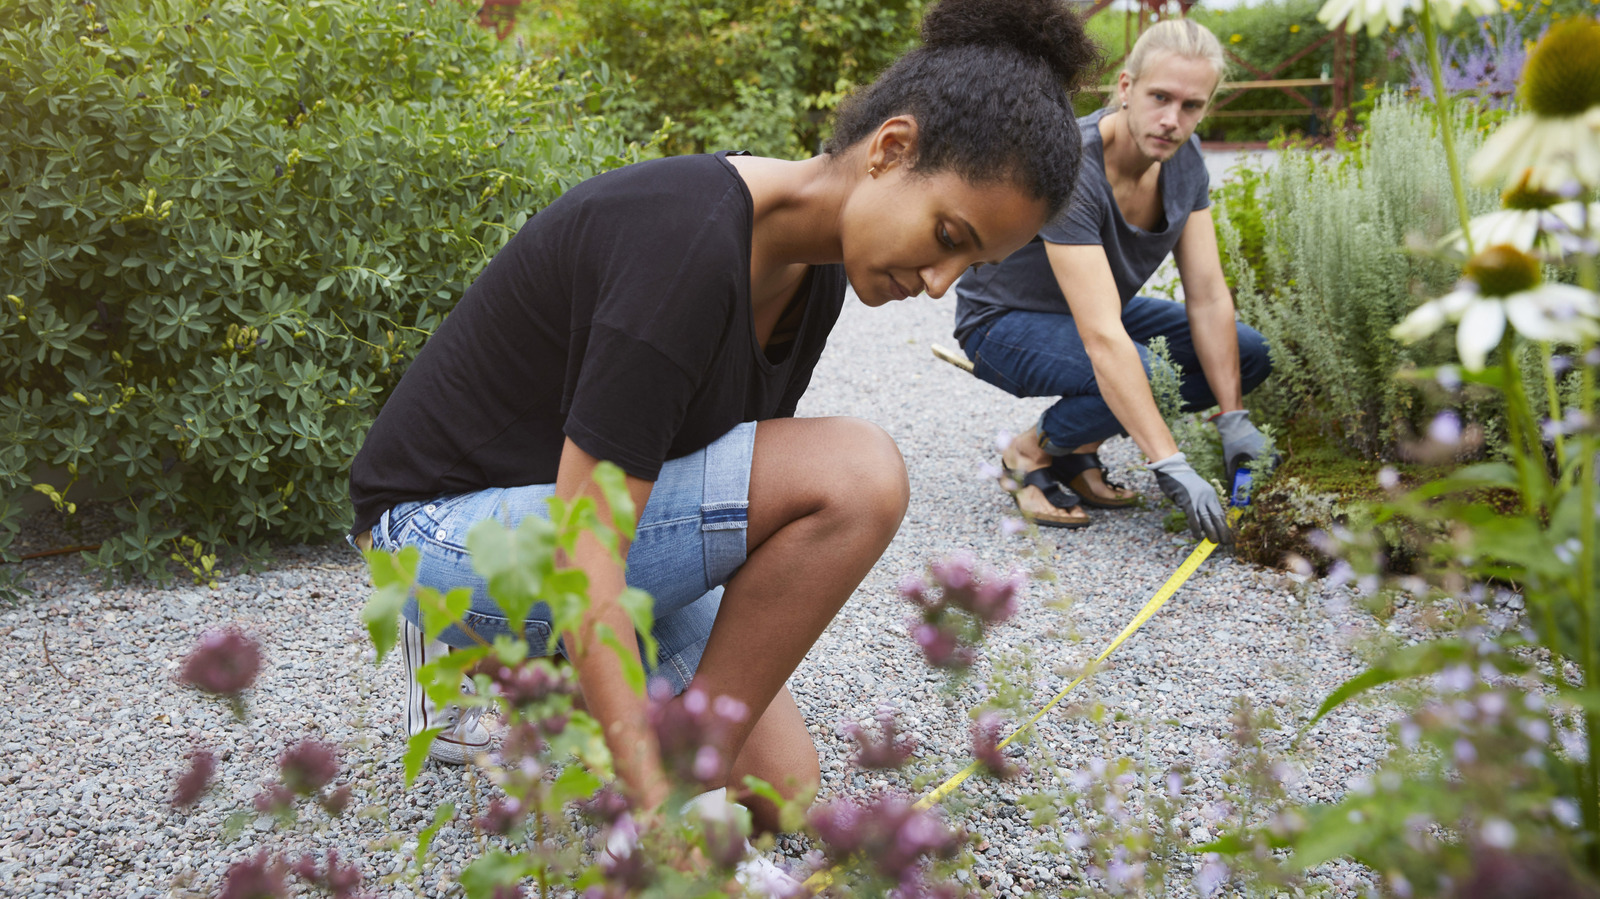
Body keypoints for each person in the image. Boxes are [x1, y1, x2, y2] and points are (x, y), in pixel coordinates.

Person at [347, 0, 1098, 834]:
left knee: (778, 789)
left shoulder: (812, 278)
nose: (940, 282)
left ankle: (661, 771)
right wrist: (665, 804)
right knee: (858, 473)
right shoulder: (686, 242)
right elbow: (583, 549)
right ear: (891, 148)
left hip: (578, 521)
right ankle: (636, 784)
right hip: (431, 538)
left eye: (972, 262)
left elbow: (719, 501)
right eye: (947, 234)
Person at [952, 18, 1273, 543]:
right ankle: (1030, 450)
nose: (1172, 120)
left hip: (1091, 315)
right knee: (1143, 371)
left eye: (1191, 106)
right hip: (1002, 323)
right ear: (1126, 87)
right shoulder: (1072, 164)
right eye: (1160, 97)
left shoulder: (1185, 162)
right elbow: (1104, 338)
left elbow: (1209, 296)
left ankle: (1072, 447)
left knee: (1251, 352)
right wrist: (1169, 462)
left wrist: (1232, 414)